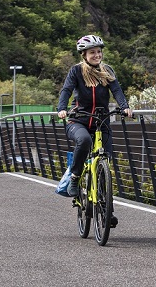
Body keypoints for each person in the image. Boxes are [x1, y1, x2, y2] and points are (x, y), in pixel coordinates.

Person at [57, 35, 133, 207]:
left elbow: (117, 90)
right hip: (79, 120)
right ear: (84, 54)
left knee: (105, 160)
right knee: (84, 141)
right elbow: (66, 90)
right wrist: (62, 108)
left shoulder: (107, 71)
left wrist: (125, 106)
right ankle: (75, 178)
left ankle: (107, 209)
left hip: (101, 121)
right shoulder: (76, 71)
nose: (97, 55)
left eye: (99, 52)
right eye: (92, 52)